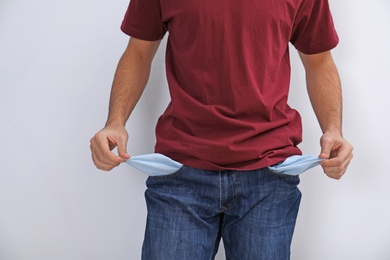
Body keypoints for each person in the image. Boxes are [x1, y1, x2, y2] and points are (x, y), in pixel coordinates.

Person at [90, 0, 353, 259]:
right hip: (182, 170)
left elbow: (319, 60)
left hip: (269, 172)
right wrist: (115, 121)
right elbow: (138, 52)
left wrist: (333, 129)